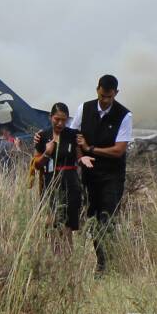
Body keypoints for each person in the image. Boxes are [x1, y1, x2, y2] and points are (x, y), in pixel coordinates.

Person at [71, 74, 132, 272]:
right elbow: (75, 136)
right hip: (90, 175)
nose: (105, 100)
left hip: (112, 176)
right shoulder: (84, 108)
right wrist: (81, 157)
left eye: (109, 97)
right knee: (93, 217)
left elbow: (118, 150)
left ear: (116, 93)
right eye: (102, 95)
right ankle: (101, 262)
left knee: (107, 218)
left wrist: (91, 149)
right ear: (97, 89)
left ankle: (106, 265)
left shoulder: (124, 115)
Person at [34, 103, 95, 252]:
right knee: (53, 222)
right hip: (50, 182)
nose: (60, 123)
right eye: (57, 119)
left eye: (64, 120)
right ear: (50, 117)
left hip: (70, 181)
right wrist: (47, 153)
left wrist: (83, 160)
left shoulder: (73, 134)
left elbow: (79, 156)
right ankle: (55, 257)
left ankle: (67, 259)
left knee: (67, 224)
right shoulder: (42, 136)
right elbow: (36, 164)